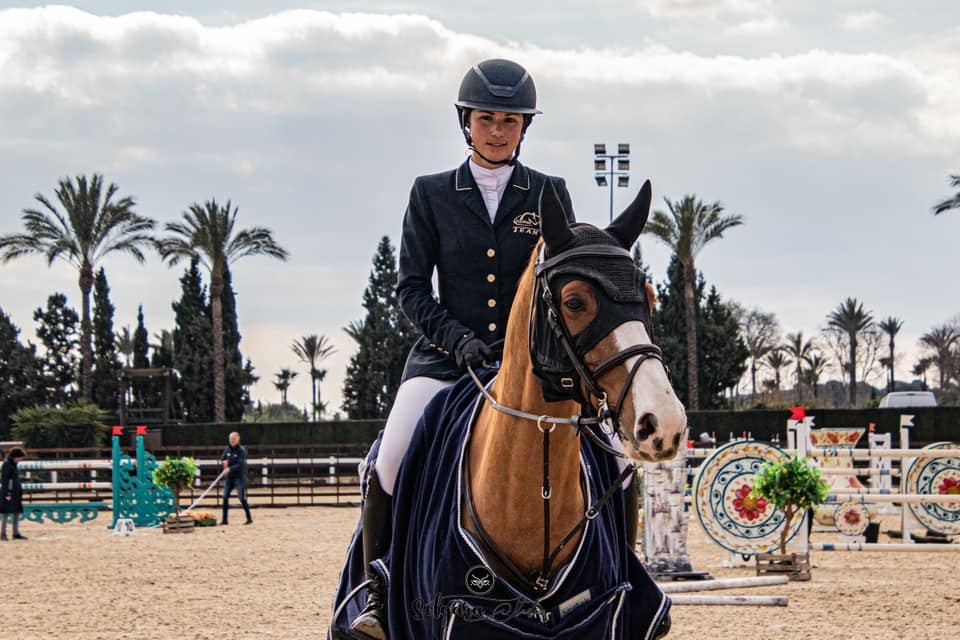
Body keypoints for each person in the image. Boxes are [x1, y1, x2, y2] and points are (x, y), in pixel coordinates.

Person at [350, 58, 576, 639]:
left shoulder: (550, 193)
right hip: (446, 360)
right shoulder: (430, 194)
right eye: (486, 118)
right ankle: (377, 594)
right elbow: (408, 289)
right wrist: (457, 339)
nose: (497, 130)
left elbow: (567, 282)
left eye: (509, 119)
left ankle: (624, 582)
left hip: (533, 366)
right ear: (465, 122)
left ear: (525, 127)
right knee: (391, 458)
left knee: (619, 463)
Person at [220, 432, 252, 525]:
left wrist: (230, 468)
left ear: (238, 439)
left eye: (234, 438)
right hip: (229, 478)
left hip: (239, 478)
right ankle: (225, 520)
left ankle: (249, 518)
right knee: (225, 497)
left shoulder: (242, 451)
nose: (232, 440)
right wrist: (225, 465)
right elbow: (223, 459)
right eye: (231, 438)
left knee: (242, 498)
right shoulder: (227, 449)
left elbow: (240, 464)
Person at [1, 446, 27, 541]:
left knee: (17, 512)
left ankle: (15, 533)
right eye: (20, 457)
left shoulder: (13, 464)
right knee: (6, 513)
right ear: (15, 456)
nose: (20, 459)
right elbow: (5, 480)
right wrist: (7, 493)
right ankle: (3, 534)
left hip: (16, 493)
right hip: (9, 493)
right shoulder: (7, 464)